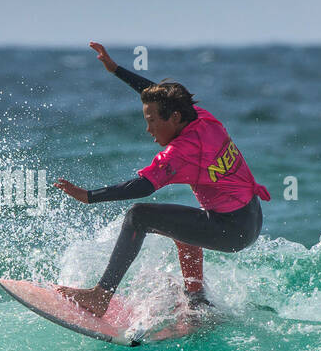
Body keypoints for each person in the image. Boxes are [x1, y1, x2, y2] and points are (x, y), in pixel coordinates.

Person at [53, 42, 271, 317]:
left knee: (138, 216)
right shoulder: (203, 119)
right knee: (183, 227)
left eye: (153, 121)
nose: (148, 129)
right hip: (251, 217)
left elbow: (144, 186)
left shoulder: (181, 153)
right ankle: (197, 299)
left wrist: (89, 196)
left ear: (175, 117)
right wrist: (116, 69)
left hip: (231, 229)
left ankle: (101, 295)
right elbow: (160, 96)